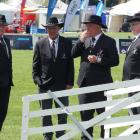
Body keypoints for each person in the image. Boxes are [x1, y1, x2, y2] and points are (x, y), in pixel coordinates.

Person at [71, 14, 119, 139]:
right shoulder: (85, 39)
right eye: (86, 26)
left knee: (103, 116)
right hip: (84, 84)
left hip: (102, 85)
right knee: (85, 117)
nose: (86, 29)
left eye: (89, 26)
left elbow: (115, 61)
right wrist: (80, 40)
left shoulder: (109, 41)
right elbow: (72, 54)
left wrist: (98, 59)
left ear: (97, 27)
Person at [32, 17, 74, 140]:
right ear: (46, 29)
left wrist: (70, 82)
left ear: (58, 29)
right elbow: (35, 65)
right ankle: (47, 136)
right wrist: (38, 81)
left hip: (62, 85)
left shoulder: (67, 43)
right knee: (45, 114)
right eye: (49, 28)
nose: (52, 30)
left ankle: (61, 135)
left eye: (54, 28)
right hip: (44, 86)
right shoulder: (40, 44)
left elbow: (70, 65)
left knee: (63, 113)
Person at [122, 13, 140, 116]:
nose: (131, 27)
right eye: (131, 24)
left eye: (135, 24)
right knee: (132, 113)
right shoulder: (135, 39)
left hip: (137, 81)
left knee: (137, 112)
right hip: (131, 82)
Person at [0, 14, 13, 131]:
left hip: (6, 84)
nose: (2, 28)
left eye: (3, 26)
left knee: (3, 112)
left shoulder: (6, 41)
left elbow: (9, 61)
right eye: (0, 26)